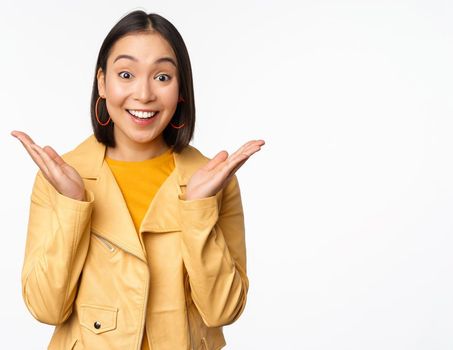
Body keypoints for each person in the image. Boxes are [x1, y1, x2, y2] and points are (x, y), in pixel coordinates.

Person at [11, 10, 264, 350]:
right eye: (126, 74)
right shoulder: (61, 177)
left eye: (162, 77)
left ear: (181, 89)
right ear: (102, 82)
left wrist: (198, 208)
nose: (144, 94)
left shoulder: (212, 180)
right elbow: (45, 308)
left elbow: (224, 311)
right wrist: (73, 205)